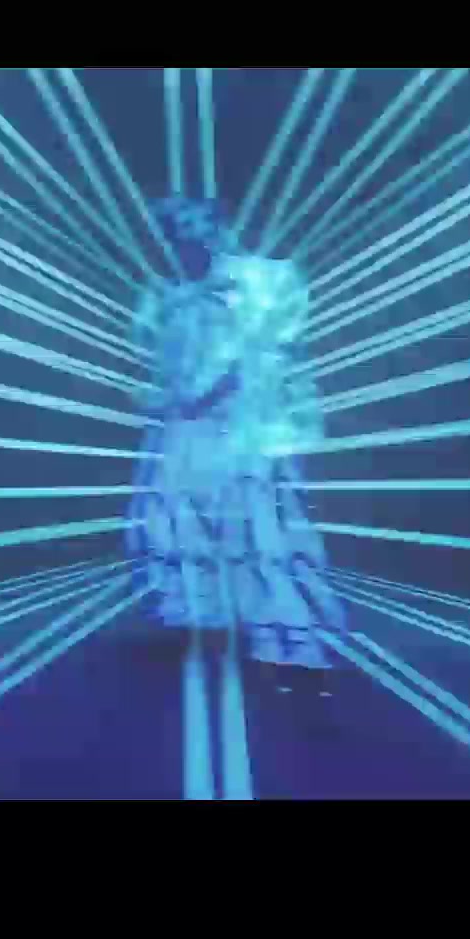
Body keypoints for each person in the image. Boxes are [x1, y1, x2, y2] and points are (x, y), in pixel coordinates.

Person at [125, 196, 349, 683]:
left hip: (252, 425)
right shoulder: (164, 294)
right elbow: (151, 363)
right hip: (189, 426)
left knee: (264, 527)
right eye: (173, 230)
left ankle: (291, 640)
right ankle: (200, 622)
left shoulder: (269, 279)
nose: (187, 237)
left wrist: (216, 387)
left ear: (219, 224)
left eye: (195, 224)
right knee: (175, 519)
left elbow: (273, 346)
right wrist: (170, 398)